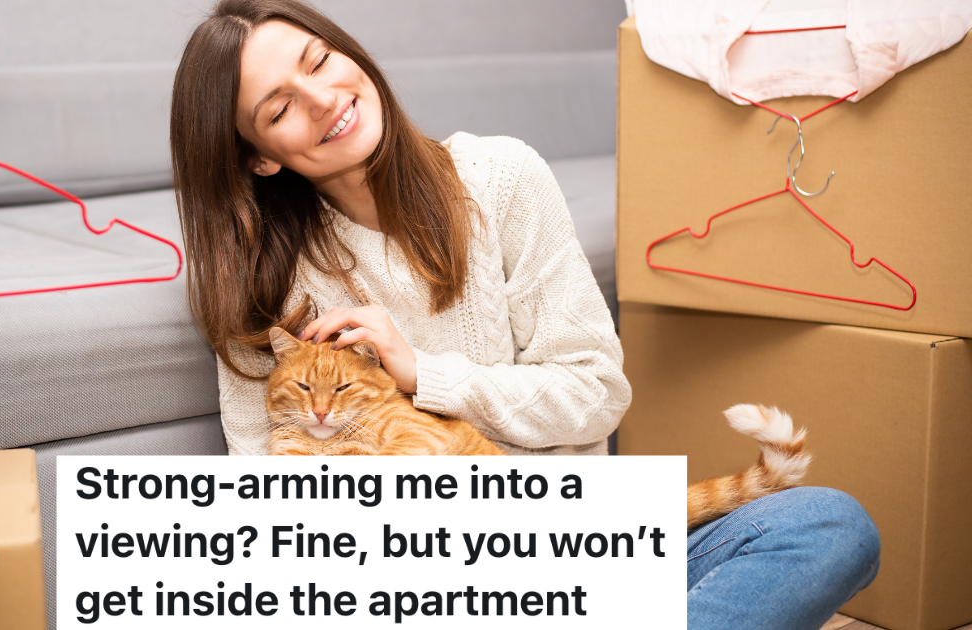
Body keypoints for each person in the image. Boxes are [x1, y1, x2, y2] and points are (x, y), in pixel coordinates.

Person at [169, 1, 879, 627]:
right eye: (280, 109)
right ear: (260, 159)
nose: (324, 99)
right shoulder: (266, 283)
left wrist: (423, 374)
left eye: (320, 60)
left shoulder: (499, 178)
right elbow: (265, 500)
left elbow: (597, 394)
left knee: (828, 525)